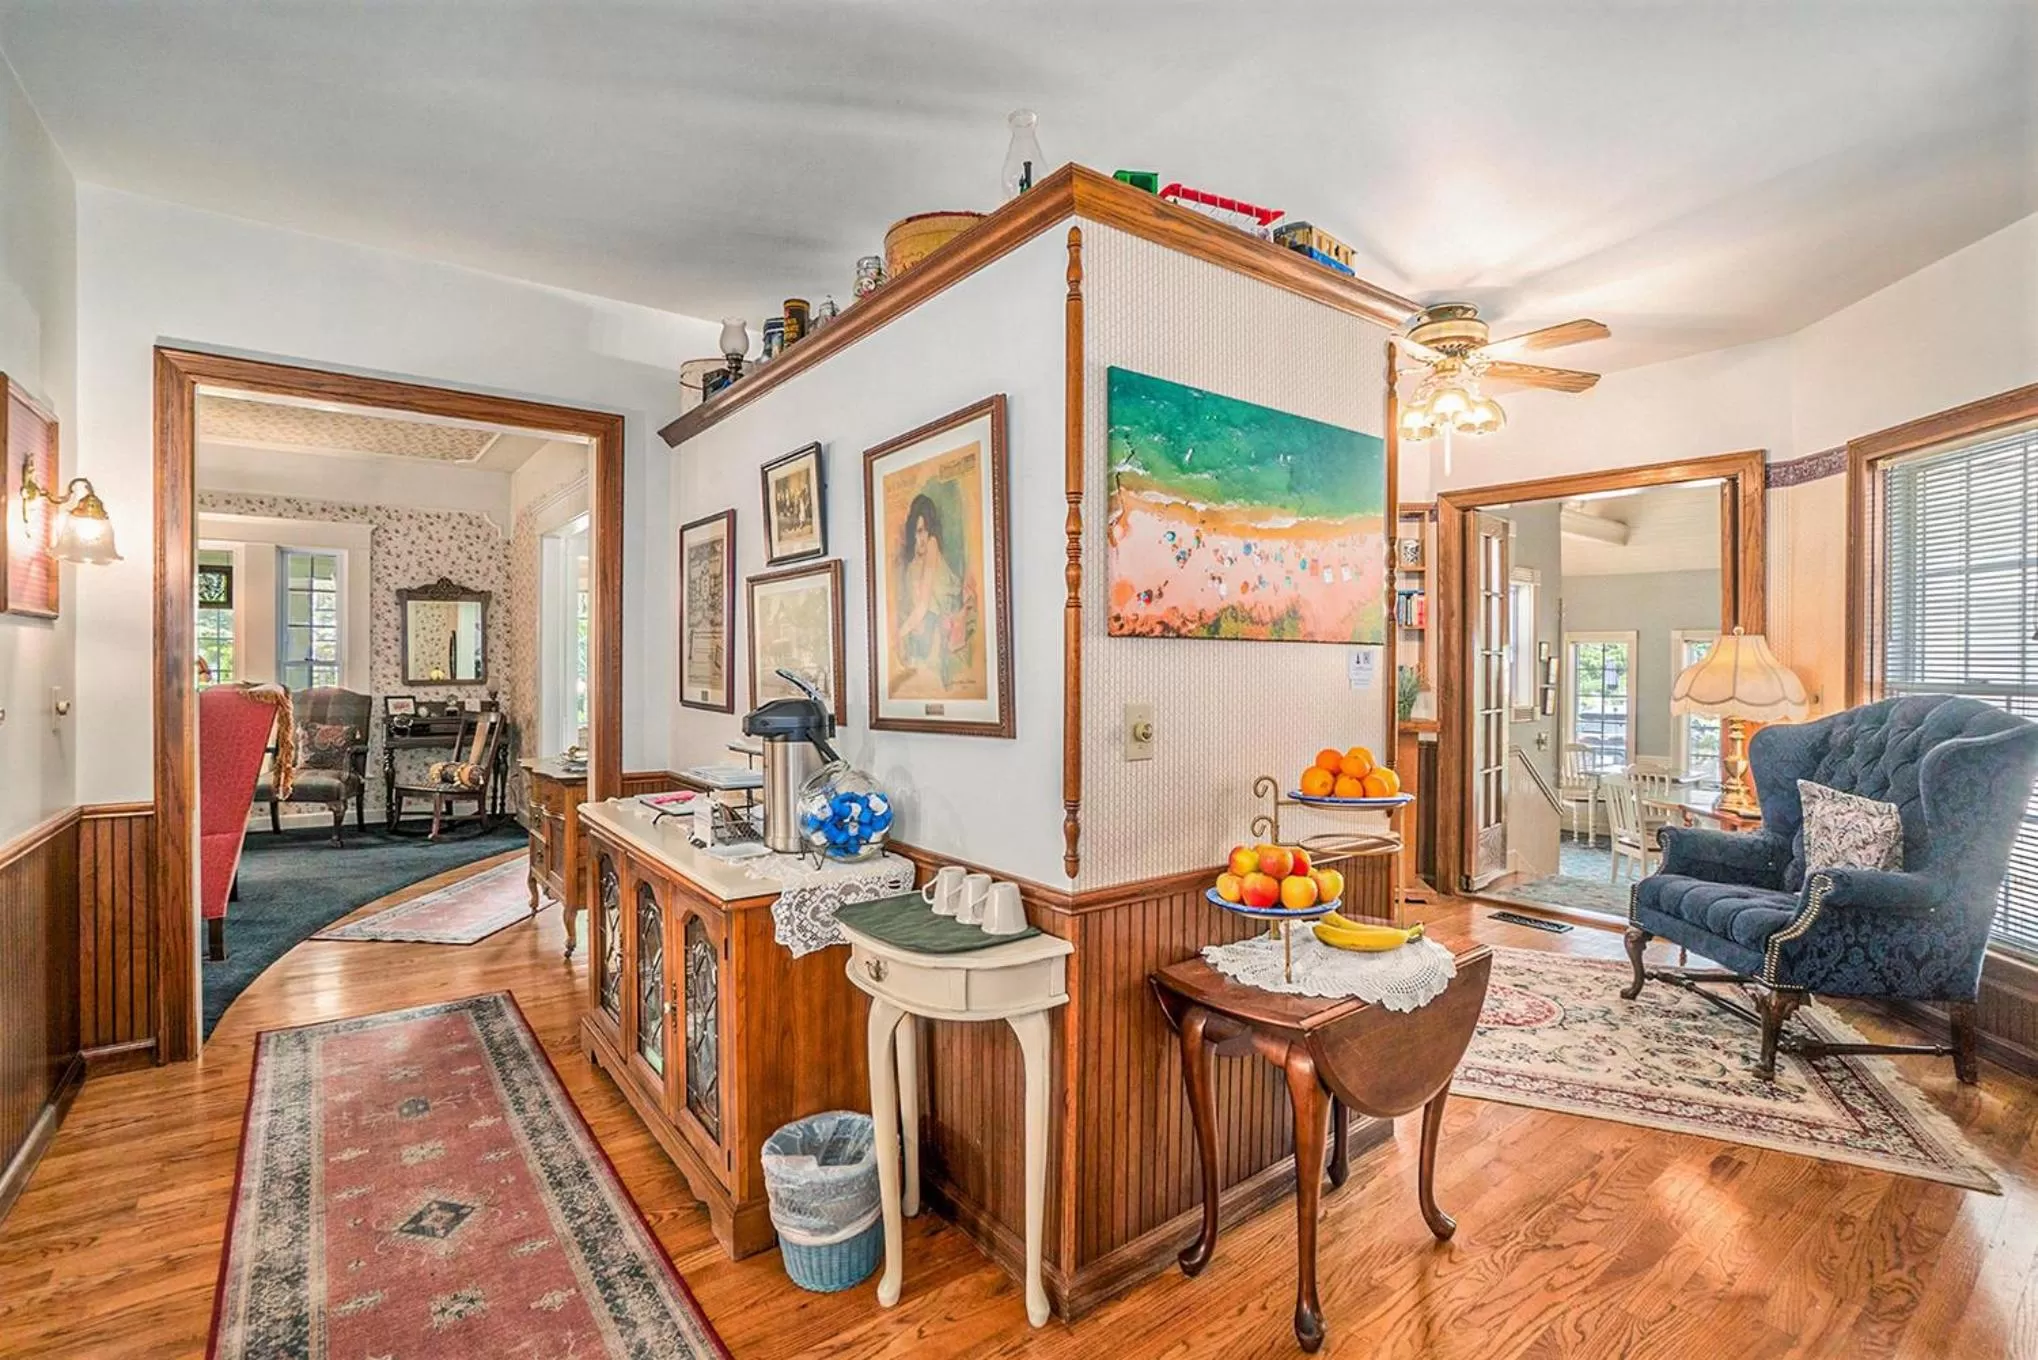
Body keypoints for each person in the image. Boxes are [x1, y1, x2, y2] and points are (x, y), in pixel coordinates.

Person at [895, 493, 968, 688]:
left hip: (940, 619)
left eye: (925, 530)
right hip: (925, 622)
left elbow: (924, 603)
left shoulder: (932, 545)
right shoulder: (913, 563)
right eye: (918, 531)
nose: (922, 538)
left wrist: (900, 633)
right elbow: (916, 604)